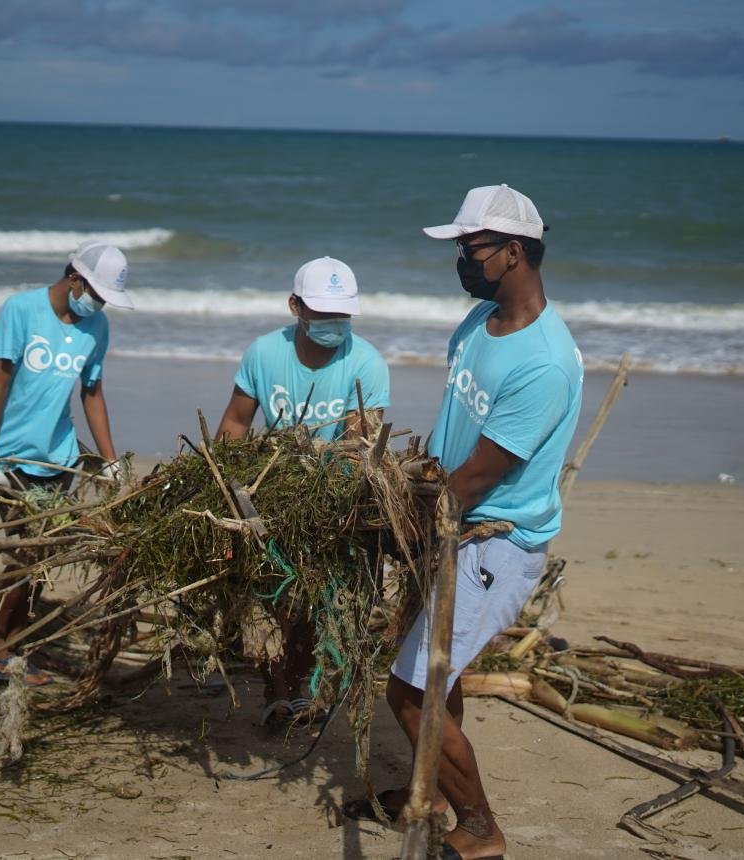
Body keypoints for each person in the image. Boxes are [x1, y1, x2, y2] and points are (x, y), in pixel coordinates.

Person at [345, 185, 583, 860]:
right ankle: (434, 792)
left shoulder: (545, 363)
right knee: (437, 676)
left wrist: (401, 527)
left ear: (512, 253)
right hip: (452, 523)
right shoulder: (478, 325)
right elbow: (455, 443)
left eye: (469, 248)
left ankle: (480, 827)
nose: (459, 260)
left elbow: (482, 474)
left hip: (493, 544)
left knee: (411, 691)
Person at [215, 256, 390, 721]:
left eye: (342, 314)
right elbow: (234, 422)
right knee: (271, 594)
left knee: (313, 596)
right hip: (268, 486)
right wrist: (221, 485)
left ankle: (298, 684)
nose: (334, 324)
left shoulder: (368, 363)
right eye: (323, 313)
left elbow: (359, 444)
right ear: (295, 305)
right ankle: (279, 688)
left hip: (331, 494)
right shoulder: (263, 353)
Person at [0, 240, 133, 685]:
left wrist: (110, 460)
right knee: (28, 551)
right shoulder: (21, 310)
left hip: (59, 459)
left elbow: (92, 393)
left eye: (104, 300)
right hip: (12, 456)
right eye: (96, 294)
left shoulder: (96, 327)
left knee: (42, 555)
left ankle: (12, 644)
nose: (98, 305)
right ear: (75, 278)